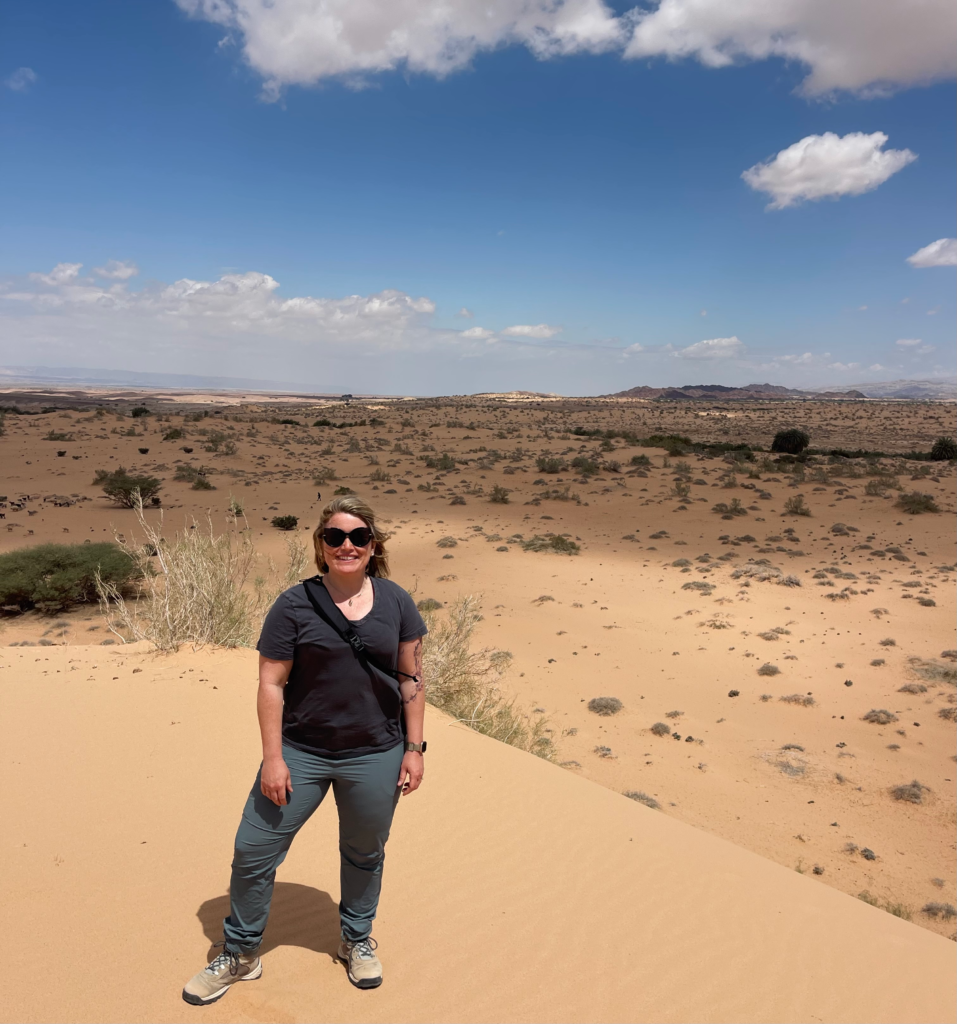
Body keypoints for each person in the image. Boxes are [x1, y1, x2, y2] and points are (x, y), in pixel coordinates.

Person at [183, 495, 427, 1005]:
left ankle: (355, 940)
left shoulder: (398, 602)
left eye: (358, 537)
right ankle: (240, 952)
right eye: (335, 536)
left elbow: (412, 678)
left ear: (373, 545)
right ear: (320, 545)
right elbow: (270, 683)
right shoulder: (294, 604)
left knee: (364, 853)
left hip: (375, 753)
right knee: (253, 851)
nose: (346, 545)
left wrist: (414, 748)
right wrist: (274, 758)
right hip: (303, 751)